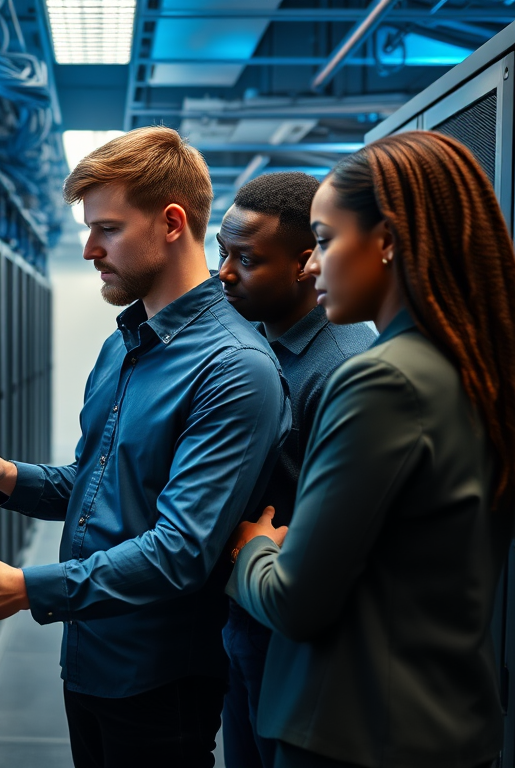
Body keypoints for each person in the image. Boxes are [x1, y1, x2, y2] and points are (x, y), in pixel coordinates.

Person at [0, 125, 291, 768]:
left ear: (172, 223)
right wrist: (4, 474)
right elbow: (100, 486)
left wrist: (25, 588)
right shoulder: (124, 343)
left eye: (107, 229)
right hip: (87, 654)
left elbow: (180, 551)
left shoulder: (235, 368)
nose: (89, 248)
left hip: (158, 679)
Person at [228, 131, 515, 768]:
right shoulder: (474, 366)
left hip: (352, 735)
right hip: (441, 728)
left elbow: (296, 602)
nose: (312, 265)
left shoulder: (381, 380)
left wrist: (251, 552)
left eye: (325, 242)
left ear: (385, 242)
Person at [216, 172, 375, 768]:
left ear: (307, 262)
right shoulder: (250, 342)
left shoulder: (343, 369)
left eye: (247, 259)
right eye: (222, 252)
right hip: (242, 616)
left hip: (294, 638)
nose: (225, 272)